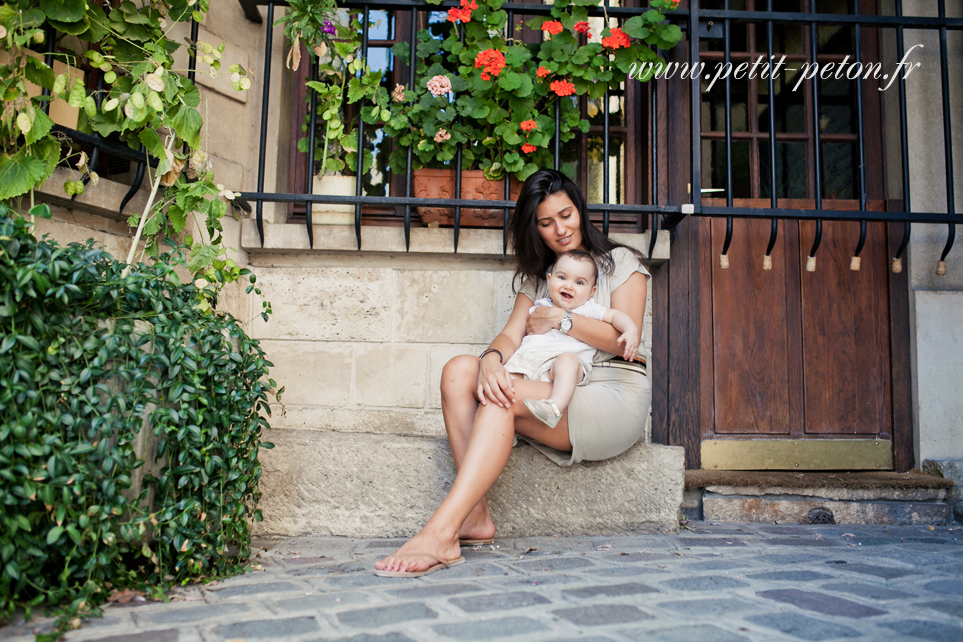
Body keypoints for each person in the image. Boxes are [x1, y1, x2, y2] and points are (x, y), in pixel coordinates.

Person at [375, 168, 651, 577]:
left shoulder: (620, 261)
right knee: (458, 372)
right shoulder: (538, 279)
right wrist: (490, 360)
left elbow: (623, 341)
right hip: (552, 382)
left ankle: (440, 532)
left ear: (581, 211)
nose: (560, 229)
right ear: (534, 228)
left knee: (502, 400)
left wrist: (561, 319)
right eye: (546, 222)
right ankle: (476, 517)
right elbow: (509, 336)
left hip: (612, 393)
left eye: (566, 214)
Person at [504, 249, 640, 429]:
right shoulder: (539, 306)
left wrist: (630, 330)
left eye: (579, 282)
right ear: (549, 279)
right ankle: (504, 426)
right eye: (562, 278)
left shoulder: (588, 308)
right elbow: (513, 336)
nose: (569, 286)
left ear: (591, 291)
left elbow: (615, 316)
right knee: (502, 383)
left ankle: (554, 407)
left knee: (567, 361)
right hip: (528, 362)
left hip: (561, 366)